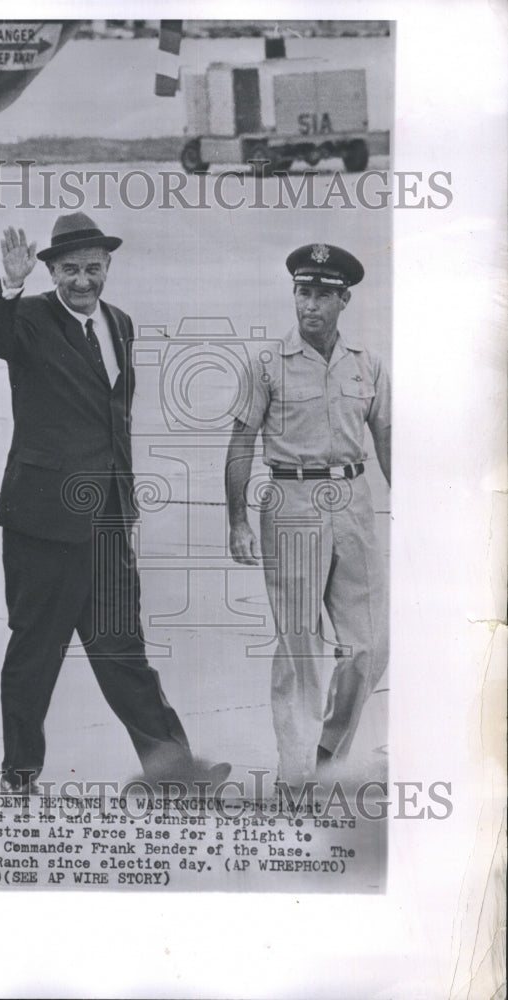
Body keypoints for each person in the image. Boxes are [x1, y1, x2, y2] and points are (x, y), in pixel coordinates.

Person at [0, 213, 231, 793]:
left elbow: (115, 422)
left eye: (92, 268)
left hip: (109, 520)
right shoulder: (30, 317)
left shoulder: (121, 323)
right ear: (52, 272)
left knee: (124, 652)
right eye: (69, 270)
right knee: (36, 653)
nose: (82, 280)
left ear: (108, 267)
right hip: (44, 522)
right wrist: (9, 286)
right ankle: (18, 775)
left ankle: (175, 772)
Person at [225, 243, 391, 789]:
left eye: (323, 294)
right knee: (300, 647)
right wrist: (238, 521)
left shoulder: (367, 364)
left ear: (343, 299)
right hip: (291, 505)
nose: (311, 304)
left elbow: (387, 443)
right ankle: (296, 778)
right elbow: (240, 445)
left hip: (354, 504)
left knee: (367, 648)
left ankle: (326, 751)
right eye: (303, 291)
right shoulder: (267, 364)